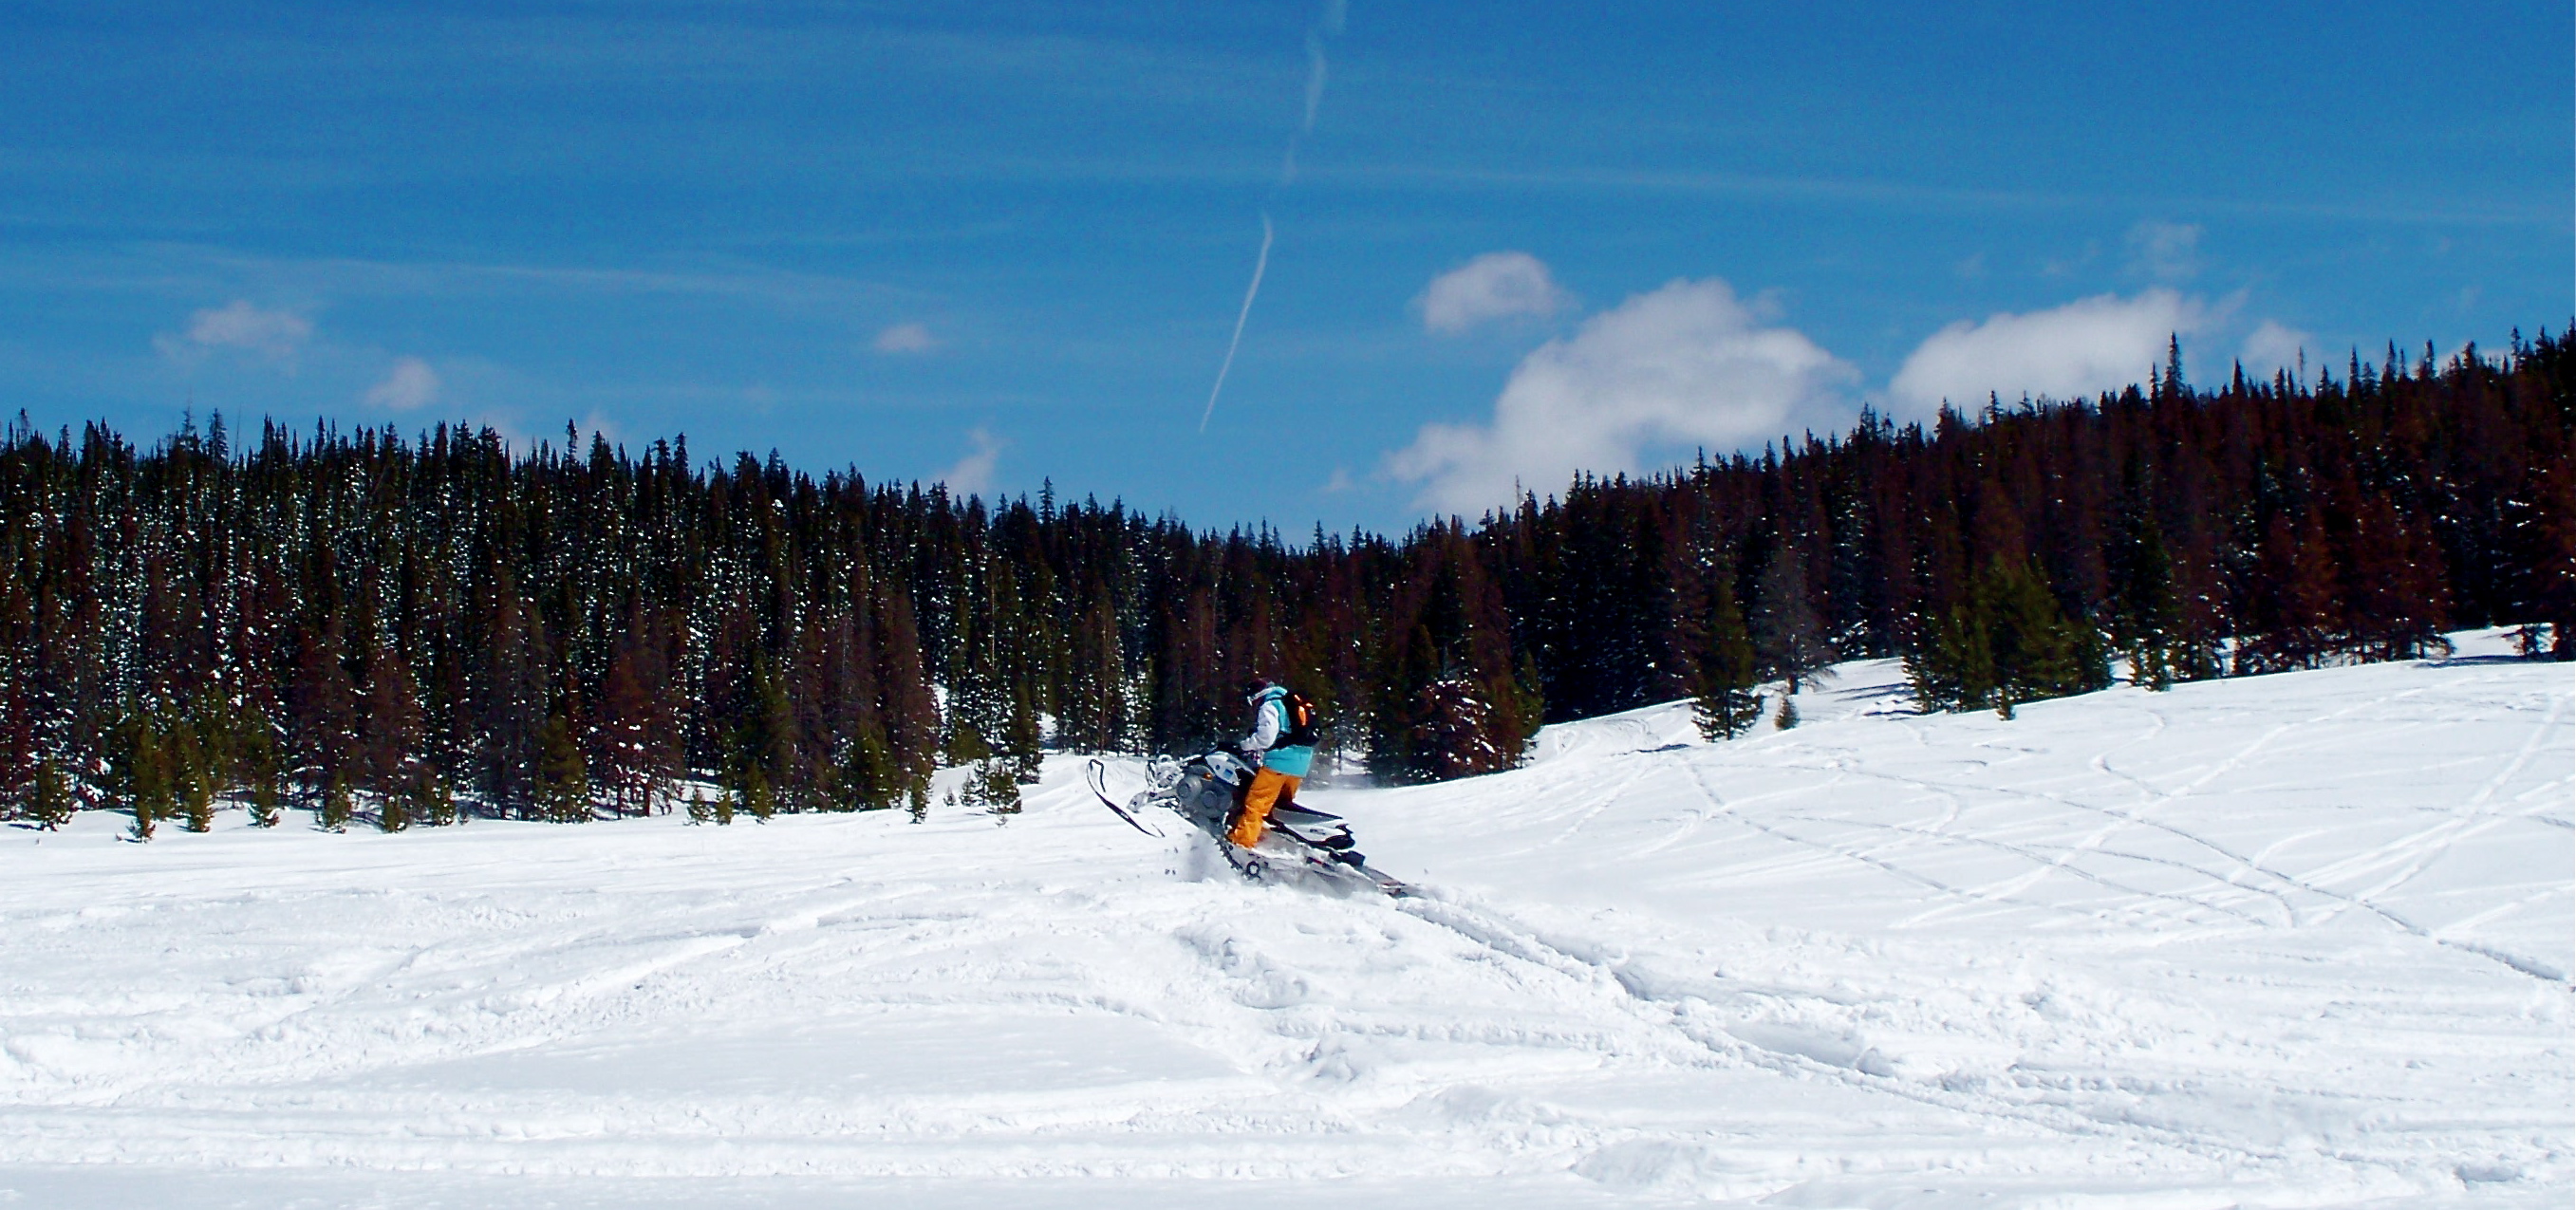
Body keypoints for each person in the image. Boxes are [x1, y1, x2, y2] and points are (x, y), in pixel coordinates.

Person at [1227, 679, 1316, 848]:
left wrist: (1244, 745)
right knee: (1279, 808)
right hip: (1300, 765)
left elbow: (1266, 738)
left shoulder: (1269, 705)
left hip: (1279, 764)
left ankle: (1242, 843)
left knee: (1256, 804)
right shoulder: (1289, 702)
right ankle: (1270, 841)